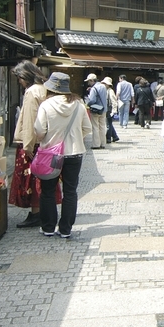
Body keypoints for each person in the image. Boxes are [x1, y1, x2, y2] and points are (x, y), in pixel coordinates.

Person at [33, 72, 93, 238]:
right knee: (70, 191)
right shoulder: (79, 105)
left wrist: (48, 139)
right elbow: (87, 128)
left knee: (48, 190)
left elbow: (39, 130)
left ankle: (48, 227)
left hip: (51, 154)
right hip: (74, 153)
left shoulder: (46, 105)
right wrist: (75, 139)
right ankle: (65, 229)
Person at [9, 61, 59, 228]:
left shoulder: (32, 91)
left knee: (31, 179)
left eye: (19, 78)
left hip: (34, 142)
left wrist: (28, 145)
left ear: (25, 76)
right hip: (47, 141)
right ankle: (44, 212)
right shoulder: (45, 89)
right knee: (45, 179)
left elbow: (31, 120)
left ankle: (36, 213)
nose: (19, 82)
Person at [84, 73, 108, 149]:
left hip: (96, 109)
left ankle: (96, 144)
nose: (88, 83)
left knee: (95, 127)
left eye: (89, 81)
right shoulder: (103, 86)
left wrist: (87, 102)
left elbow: (92, 100)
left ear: (92, 80)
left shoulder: (94, 89)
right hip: (103, 109)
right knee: (102, 126)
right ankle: (103, 143)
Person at [103, 77, 120, 144]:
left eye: (105, 83)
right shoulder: (106, 90)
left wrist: (114, 111)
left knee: (108, 124)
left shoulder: (110, 91)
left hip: (109, 110)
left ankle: (108, 138)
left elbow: (114, 101)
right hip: (107, 109)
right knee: (109, 123)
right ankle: (115, 136)